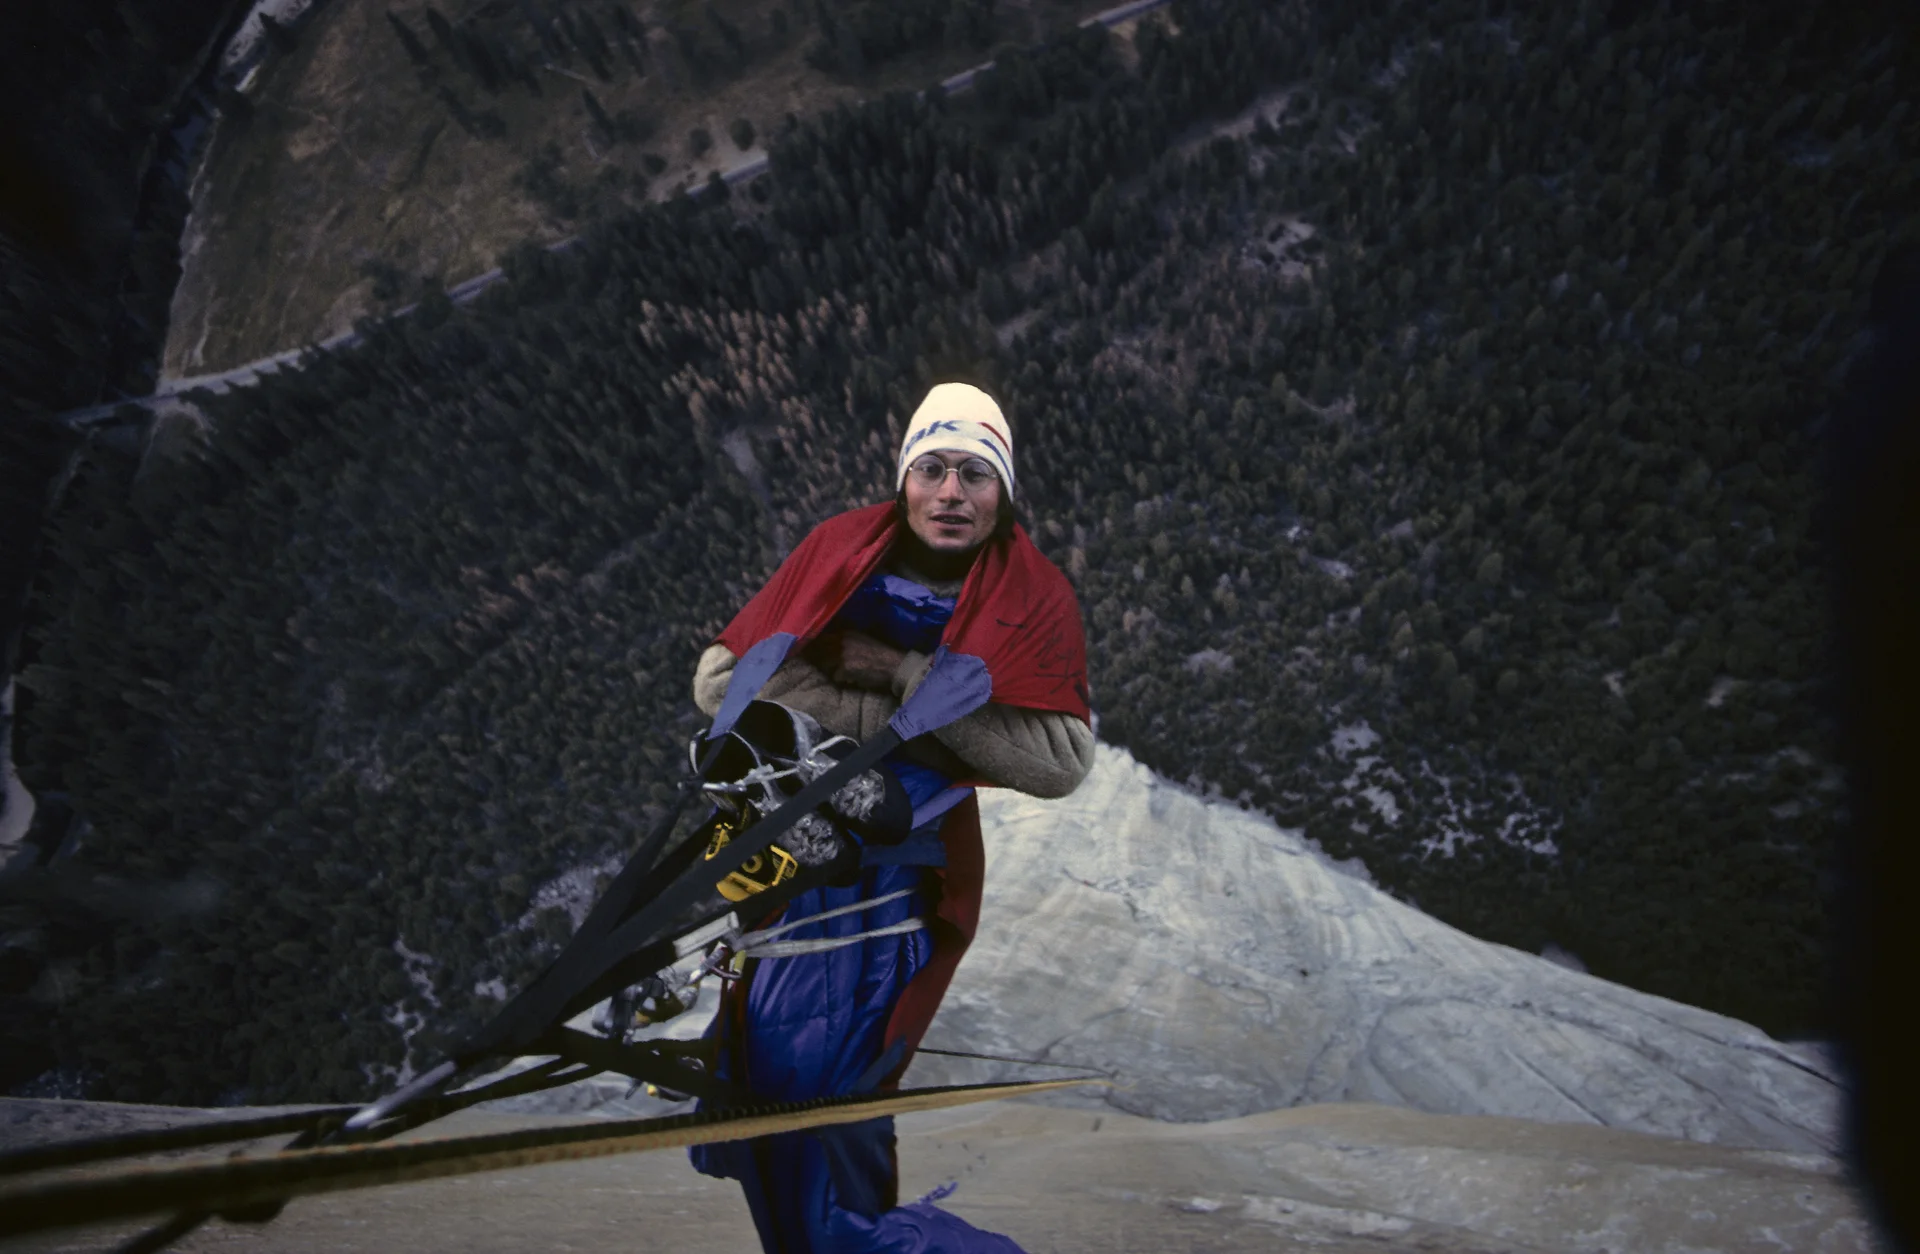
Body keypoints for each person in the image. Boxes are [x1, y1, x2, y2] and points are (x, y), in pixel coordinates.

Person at [686, 382, 1094, 1253]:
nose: (953, 492)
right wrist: (922, 726)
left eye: (977, 474)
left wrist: (897, 669)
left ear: (1003, 491)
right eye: (935, 468)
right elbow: (721, 683)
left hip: (895, 882)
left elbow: (1059, 761)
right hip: (795, 863)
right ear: (906, 478)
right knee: (777, 1107)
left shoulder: (1032, 597)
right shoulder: (840, 548)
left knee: (818, 1122)